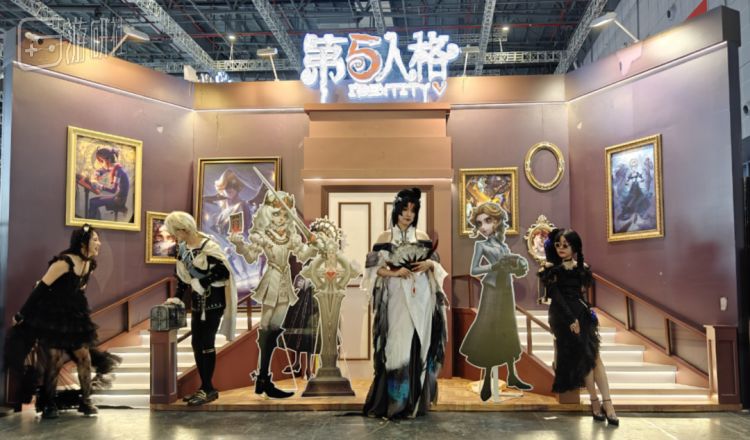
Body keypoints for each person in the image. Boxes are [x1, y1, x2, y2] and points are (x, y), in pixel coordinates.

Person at [5, 225, 120, 419]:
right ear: (83, 243)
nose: (99, 243)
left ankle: (86, 400)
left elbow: (79, 289)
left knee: (84, 357)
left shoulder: (89, 264)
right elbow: (40, 289)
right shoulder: (64, 262)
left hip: (72, 315)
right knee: (55, 358)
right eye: (95, 239)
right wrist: (21, 314)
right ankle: (49, 404)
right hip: (51, 315)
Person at [361, 188, 448, 419]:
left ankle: (413, 402)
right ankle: (394, 401)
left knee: (419, 342)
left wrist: (429, 265)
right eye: (404, 210)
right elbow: (372, 271)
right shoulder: (384, 237)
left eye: (413, 210)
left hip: (421, 295)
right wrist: (395, 272)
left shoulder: (422, 236)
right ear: (396, 211)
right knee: (396, 344)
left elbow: (437, 267)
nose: (408, 214)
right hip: (396, 295)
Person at [230, 191, 318, 399]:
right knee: (266, 327)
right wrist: (239, 243)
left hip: (285, 280)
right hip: (271, 278)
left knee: (275, 328)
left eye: (285, 214)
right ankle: (263, 378)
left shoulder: (291, 236)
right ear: (268, 214)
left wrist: (314, 244)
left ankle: (263, 379)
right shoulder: (263, 236)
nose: (281, 218)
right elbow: (250, 257)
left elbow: (304, 254)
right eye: (277, 214)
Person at [539, 228, 619, 426]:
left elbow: (580, 294)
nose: (561, 248)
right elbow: (556, 297)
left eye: (565, 245)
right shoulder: (551, 269)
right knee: (585, 359)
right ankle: (594, 401)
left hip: (582, 315)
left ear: (574, 247)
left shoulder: (582, 268)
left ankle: (607, 403)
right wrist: (570, 320)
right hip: (562, 317)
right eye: (558, 245)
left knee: (594, 358)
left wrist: (582, 316)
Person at [459, 202, 532, 402]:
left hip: (506, 289)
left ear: (497, 222)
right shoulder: (481, 245)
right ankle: (486, 381)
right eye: (479, 223)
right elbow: (474, 269)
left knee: (508, 328)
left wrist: (516, 265)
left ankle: (512, 375)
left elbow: (508, 266)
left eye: (487, 221)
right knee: (490, 329)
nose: (483, 227)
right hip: (492, 290)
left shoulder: (503, 245)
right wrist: (494, 266)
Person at [165, 211, 237, 406]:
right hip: (198, 302)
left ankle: (207, 389)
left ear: (183, 229)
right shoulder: (182, 249)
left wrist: (203, 281)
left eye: (175, 231)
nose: (174, 236)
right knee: (196, 343)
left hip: (213, 301)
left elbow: (223, 272)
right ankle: (205, 387)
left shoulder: (208, 246)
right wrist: (177, 297)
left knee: (206, 342)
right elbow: (182, 278)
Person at [87, 146, 130, 220]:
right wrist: (96, 173)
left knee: (93, 202)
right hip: (117, 196)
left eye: (102, 161)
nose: (102, 163)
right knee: (92, 201)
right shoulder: (114, 167)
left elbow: (114, 190)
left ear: (108, 160)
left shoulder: (118, 171)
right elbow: (102, 170)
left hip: (119, 199)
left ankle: (91, 221)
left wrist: (99, 186)